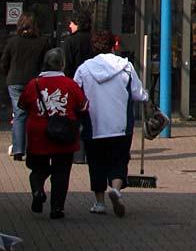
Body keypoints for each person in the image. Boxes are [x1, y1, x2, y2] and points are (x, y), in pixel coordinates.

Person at [74, 30, 148, 217]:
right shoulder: (125, 66)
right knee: (119, 159)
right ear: (113, 45)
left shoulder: (84, 69)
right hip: (120, 125)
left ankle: (99, 203)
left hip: (94, 125)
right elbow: (138, 93)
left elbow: (75, 94)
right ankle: (116, 189)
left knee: (96, 163)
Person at [18, 48, 88, 219]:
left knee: (37, 168)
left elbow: (22, 106)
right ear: (62, 64)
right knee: (61, 172)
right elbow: (83, 106)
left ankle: (37, 191)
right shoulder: (71, 84)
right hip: (64, 134)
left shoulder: (33, 84)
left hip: (38, 134)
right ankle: (57, 208)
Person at [2, 13, 49, 162]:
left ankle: (18, 150)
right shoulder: (42, 42)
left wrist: (8, 74)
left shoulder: (12, 42)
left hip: (15, 80)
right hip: (34, 81)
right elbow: (46, 63)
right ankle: (33, 148)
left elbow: (4, 62)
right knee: (34, 114)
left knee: (19, 114)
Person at [62, 7, 94, 78]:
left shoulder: (70, 41)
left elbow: (66, 66)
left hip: (75, 80)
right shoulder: (94, 39)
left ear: (77, 24)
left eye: (71, 23)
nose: (70, 26)